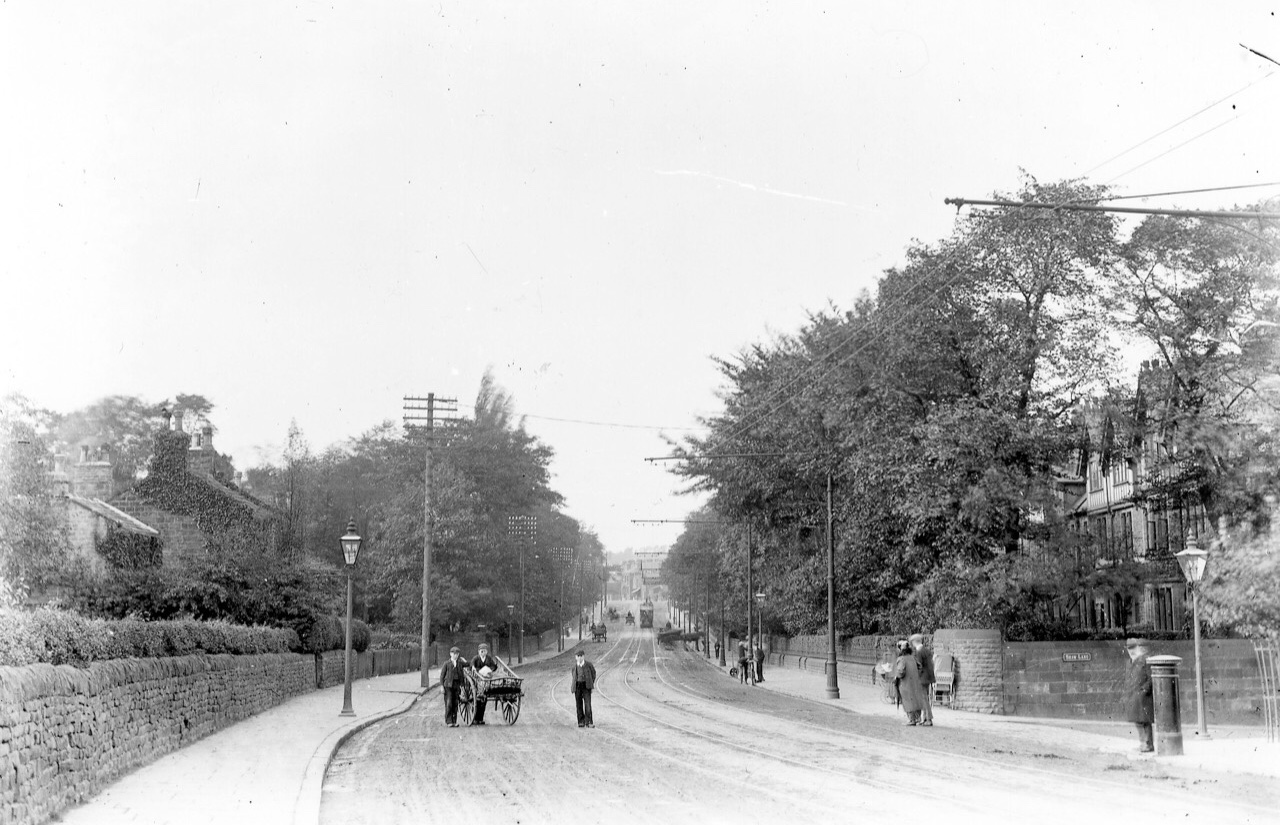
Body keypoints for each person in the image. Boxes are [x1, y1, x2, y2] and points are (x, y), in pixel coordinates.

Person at [1124, 638, 1155, 753]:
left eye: (1133, 648)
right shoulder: (1130, 662)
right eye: (1129, 648)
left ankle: (1148, 744)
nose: (1131, 651)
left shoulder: (1144, 660)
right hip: (1132, 695)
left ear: (1138, 648)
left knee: (1144, 720)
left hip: (1142, 696)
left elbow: (1150, 677)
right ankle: (1142, 743)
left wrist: (1144, 691)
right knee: (1137, 720)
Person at [892, 639, 926, 726]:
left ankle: (911, 720)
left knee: (907, 700)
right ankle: (917, 718)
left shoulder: (901, 659)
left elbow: (901, 671)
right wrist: (915, 675)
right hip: (915, 682)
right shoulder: (913, 658)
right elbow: (920, 667)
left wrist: (896, 676)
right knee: (915, 699)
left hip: (905, 683)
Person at [470, 643, 500, 726]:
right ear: (478, 651)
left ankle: (480, 719)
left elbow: (494, 666)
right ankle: (475, 718)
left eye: (484, 651)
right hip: (478, 679)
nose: (482, 652)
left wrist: (490, 669)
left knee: (484, 700)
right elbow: (472, 664)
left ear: (486, 652)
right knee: (478, 700)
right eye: (481, 651)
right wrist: (474, 668)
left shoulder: (489, 658)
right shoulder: (476, 658)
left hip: (487, 678)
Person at [909, 633, 935, 727]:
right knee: (924, 698)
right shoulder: (926, 650)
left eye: (912, 642)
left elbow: (918, 666)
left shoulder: (919, 651)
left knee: (923, 699)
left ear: (915, 642)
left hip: (922, 678)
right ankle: (924, 718)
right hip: (928, 677)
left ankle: (928, 718)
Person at [440, 646, 468, 728]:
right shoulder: (446, 663)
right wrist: (442, 686)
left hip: (457, 685)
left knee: (455, 703)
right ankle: (449, 721)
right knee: (449, 703)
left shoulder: (460, 663)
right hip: (448, 686)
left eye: (457, 654)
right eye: (454, 654)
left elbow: (468, 664)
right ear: (450, 654)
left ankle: (454, 721)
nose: (455, 655)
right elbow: (442, 676)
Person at [572, 649, 597, 728]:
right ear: (576, 657)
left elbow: (593, 673)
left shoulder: (588, 665)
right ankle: (581, 721)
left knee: (588, 704)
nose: (579, 658)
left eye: (581, 656)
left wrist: (590, 683)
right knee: (579, 704)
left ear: (583, 656)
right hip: (578, 686)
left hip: (586, 686)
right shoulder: (575, 667)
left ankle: (589, 721)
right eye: (578, 656)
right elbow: (573, 676)